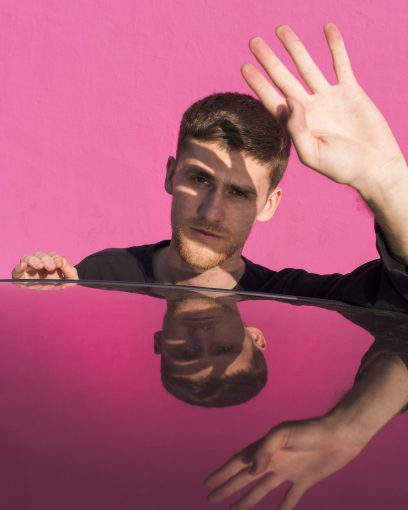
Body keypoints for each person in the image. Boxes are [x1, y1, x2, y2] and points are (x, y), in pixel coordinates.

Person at [11, 24, 408, 311]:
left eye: (239, 192)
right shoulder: (105, 276)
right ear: (171, 175)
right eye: (200, 179)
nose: (211, 212)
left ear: (269, 204)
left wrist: (386, 179)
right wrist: (42, 306)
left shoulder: (289, 301)